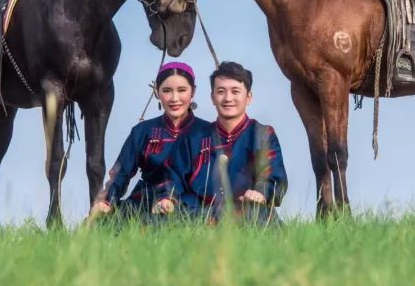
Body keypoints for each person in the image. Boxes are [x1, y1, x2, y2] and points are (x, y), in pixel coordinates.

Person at [89, 62, 210, 220]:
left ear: (193, 91)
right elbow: (121, 172)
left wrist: (171, 199)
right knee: (99, 222)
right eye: (167, 91)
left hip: (190, 204)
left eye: (182, 90)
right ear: (157, 92)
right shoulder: (142, 131)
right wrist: (106, 201)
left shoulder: (207, 132)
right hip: (145, 202)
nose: (175, 98)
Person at [171, 61, 288, 223]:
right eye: (221, 91)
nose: (228, 98)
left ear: (248, 98)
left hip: (248, 214)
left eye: (235, 91)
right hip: (202, 216)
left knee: (260, 217)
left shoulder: (262, 134)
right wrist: (167, 199)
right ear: (212, 97)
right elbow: (173, 177)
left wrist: (260, 193)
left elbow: (275, 177)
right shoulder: (194, 136)